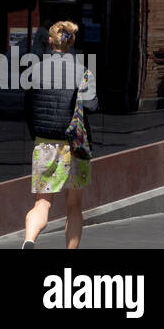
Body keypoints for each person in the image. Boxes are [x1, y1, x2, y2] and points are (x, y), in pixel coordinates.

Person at [23, 21, 97, 249]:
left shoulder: (35, 70)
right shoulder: (83, 71)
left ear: (50, 41)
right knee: (74, 205)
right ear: (72, 42)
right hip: (74, 146)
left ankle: (29, 239)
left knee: (42, 203)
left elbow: (28, 107)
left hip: (44, 144)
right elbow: (92, 105)